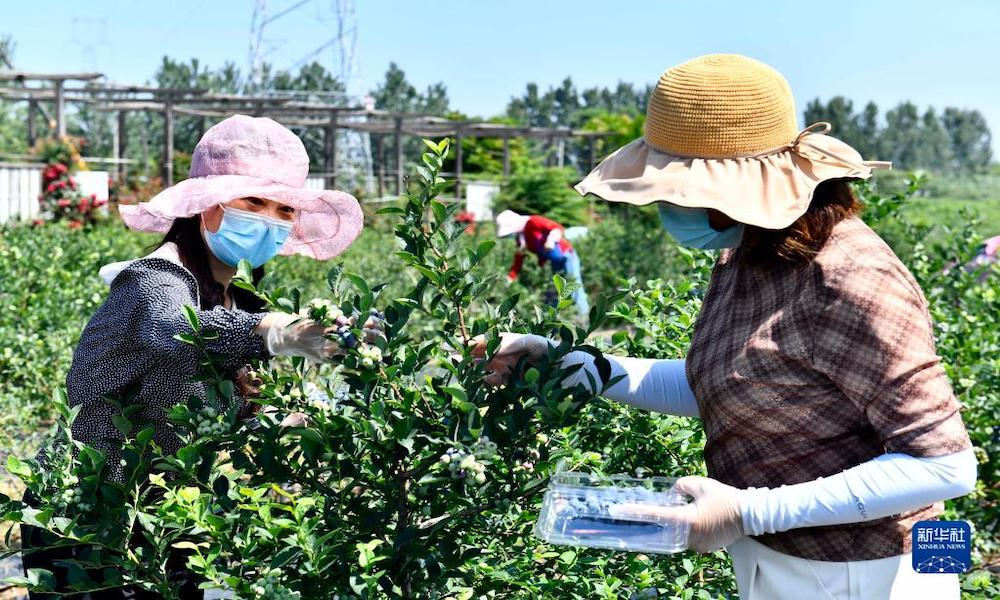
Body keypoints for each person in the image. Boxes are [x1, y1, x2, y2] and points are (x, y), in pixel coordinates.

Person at [476, 55, 976, 599]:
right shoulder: (749, 253)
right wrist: (569, 365)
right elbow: (726, 382)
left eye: (676, 190)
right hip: (784, 561)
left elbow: (945, 466)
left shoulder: (850, 278)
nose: (666, 205)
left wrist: (747, 511)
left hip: (869, 574)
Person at [21, 115, 365, 599]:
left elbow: (215, 400)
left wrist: (287, 418)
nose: (269, 219)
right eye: (252, 202)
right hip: (86, 504)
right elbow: (178, 330)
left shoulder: (237, 300)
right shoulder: (154, 281)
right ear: (206, 204)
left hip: (166, 509)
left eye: (284, 209)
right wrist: (276, 332)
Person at [495, 209, 589, 316]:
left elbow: (557, 227)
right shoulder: (521, 239)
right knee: (553, 290)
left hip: (566, 256)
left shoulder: (534, 221)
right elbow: (518, 261)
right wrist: (509, 279)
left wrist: (551, 240)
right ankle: (552, 321)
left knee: (574, 286)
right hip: (552, 263)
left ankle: (584, 317)